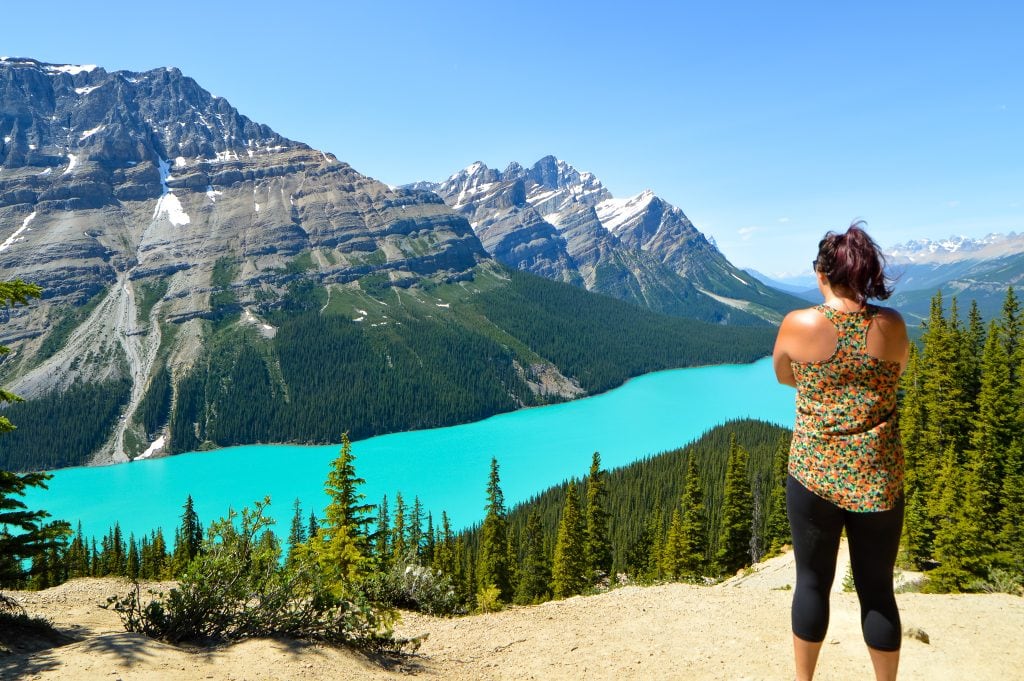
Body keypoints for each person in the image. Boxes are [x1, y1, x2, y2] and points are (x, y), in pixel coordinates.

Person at [772, 222, 910, 681]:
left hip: (814, 474)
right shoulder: (891, 325)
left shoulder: (799, 323)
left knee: (812, 583)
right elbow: (895, 373)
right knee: (878, 590)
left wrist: (819, 386)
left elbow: (783, 374)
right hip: (878, 476)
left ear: (822, 274)